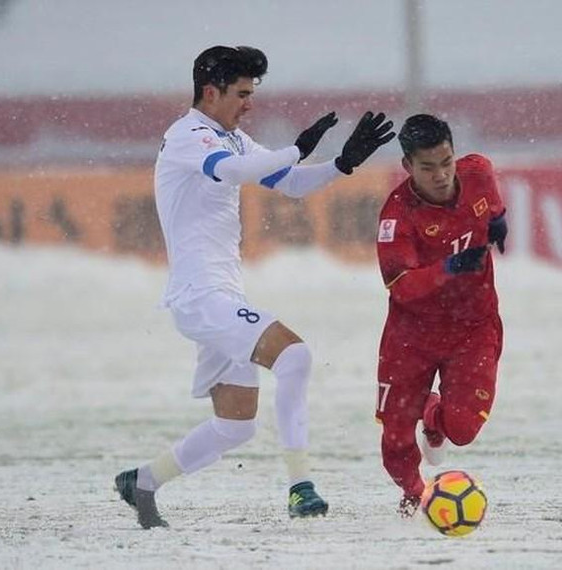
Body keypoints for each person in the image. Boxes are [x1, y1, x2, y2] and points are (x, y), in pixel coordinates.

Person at [115, 45, 395, 529]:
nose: (250, 104)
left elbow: (289, 183)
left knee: (235, 427)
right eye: (242, 93)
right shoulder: (188, 136)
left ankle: (141, 481)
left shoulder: (234, 138)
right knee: (296, 356)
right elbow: (235, 172)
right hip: (200, 297)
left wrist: (341, 164)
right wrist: (298, 146)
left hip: (224, 298)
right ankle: (300, 486)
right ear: (211, 91)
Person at [374, 114, 507, 517]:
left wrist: (498, 219)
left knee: (463, 430)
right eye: (428, 167)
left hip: (474, 327)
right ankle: (416, 493)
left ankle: (432, 413)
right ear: (408, 167)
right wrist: (450, 268)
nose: (441, 175)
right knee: (395, 443)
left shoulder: (477, 172)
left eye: (446, 161)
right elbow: (401, 287)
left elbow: (488, 186)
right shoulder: (397, 218)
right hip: (411, 335)